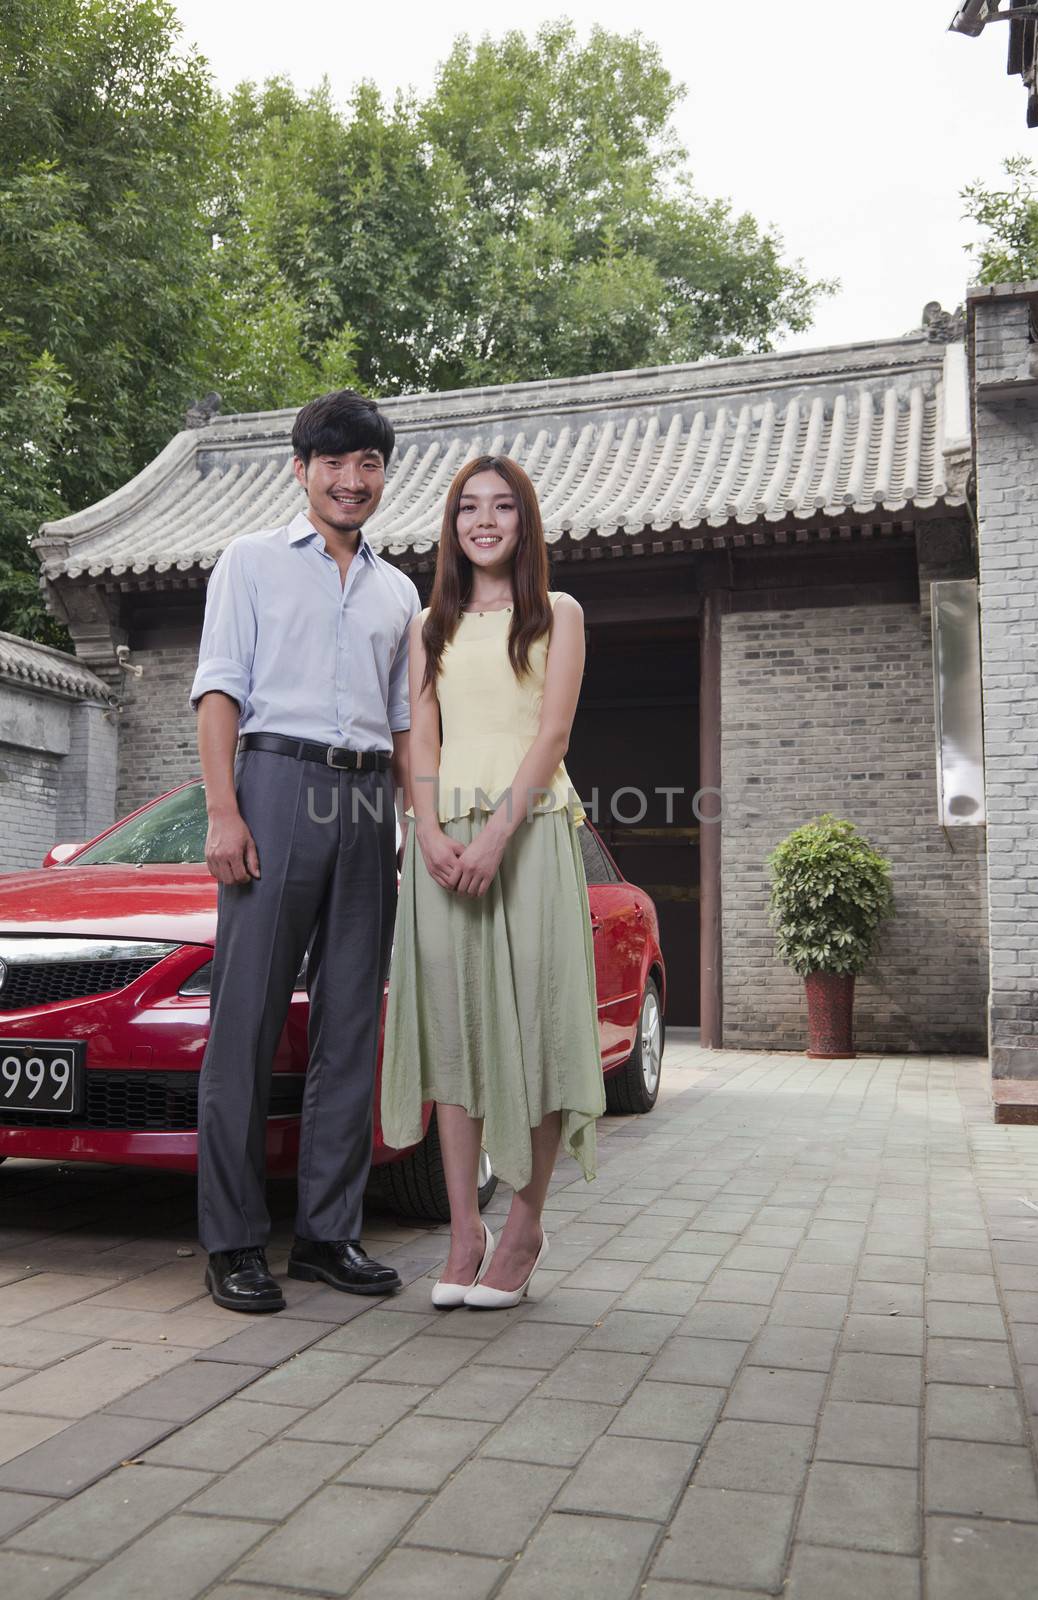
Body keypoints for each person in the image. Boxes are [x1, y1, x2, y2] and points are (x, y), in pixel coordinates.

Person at [190, 389, 420, 1313]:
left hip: (368, 799)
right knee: (244, 1019)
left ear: (380, 475)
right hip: (275, 785)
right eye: (333, 462)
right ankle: (234, 1240)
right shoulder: (248, 562)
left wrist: (415, 824)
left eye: (367, 464)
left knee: (350, 1025)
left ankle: (328, 1234)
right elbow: (218, 691)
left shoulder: (399, 591)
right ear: (300, 469)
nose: (350, 479)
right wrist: (223, 810)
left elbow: (406, 726)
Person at [381, 455, 604, 1310]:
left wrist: (495, 837)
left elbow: (550, 737)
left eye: (501, 507)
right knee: (455, 1032)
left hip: (532, 834)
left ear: (524, 521)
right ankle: (464, 1230)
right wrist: (428, 831)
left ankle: (524, 1223)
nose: (484, 520)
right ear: (451, 524)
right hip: (442, 847)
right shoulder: (427, 625)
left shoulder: (559, 615)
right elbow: (421, 742)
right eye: (468, 507)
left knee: (537, 1026)